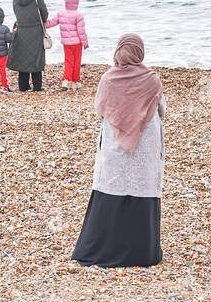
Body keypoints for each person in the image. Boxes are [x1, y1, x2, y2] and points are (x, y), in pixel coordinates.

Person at [70, 33, 164, 268]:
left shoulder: (109, 79)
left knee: (112, 187)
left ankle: (103, 248)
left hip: (115, 140)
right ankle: (142, 252)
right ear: (139, 52)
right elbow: (162, 109)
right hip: (145, 142)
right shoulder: (152, 79)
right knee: (141, 189)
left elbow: (100, 108)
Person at [9, 0, 50, 92]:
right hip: (36, 29)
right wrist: (43, 20)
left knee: (23, 57)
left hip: (21, 29)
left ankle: (23, 86)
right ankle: (37, 87)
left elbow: (15, 12)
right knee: (36, 57)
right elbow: (44, 12)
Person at [46, 0, 89, 90]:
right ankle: (75, 82)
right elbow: (81, 31)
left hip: (66, 43)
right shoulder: (78, 15)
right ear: (76, 3)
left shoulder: (60, 13)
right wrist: (85, 42)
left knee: (68, 61)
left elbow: (51, 22)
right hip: (77, 43)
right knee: (76, 61)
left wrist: (43, 24)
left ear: (65, 2)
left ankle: (66, 80)